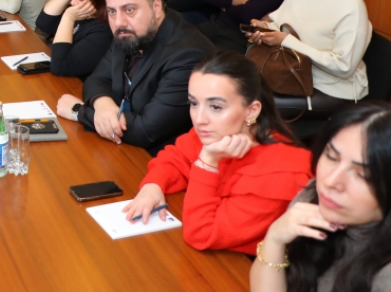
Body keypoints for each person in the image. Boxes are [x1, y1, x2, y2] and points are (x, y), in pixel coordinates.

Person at [123, 51, 311, 255]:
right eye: (194, 103)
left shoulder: (282, 173)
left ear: (251, 111)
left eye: (215, 107)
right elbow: (176, 158)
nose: (199, 119)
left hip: (244, 268)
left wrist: (208, 162)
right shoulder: (220, 131)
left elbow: (201, 234)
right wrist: (153, 186)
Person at [56, 0, 217, 155]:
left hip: (160, 158)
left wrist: (79, 111)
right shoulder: (130, 31)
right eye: (112, 11)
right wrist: (103, 105)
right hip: (121, 147)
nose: (119, 22)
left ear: (156, 7)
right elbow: (97, 79)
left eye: (129, 10)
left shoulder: (188, 55)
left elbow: (145, 131)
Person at [251, 104, 391, 292]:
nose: (331, 181)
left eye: (363, 175)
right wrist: (274, 239)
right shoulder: (315, 196)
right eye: (331, 157)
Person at [247, 0, 372, 121]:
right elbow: (282, 24)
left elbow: (344, 67)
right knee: (234, 84)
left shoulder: (350, 3)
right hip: (289, 73)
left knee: (248, 103)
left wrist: (285, 41)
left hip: (331, 89)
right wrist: (266, 29)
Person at [32, 0, 117, 78]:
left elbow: (60, 67)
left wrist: (69, 17)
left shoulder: (104, 31)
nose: (72, 2)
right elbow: (44, 23)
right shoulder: (85, 13)